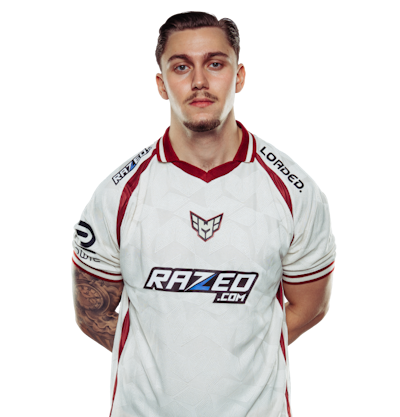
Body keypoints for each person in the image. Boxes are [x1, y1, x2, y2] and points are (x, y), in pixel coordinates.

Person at [71, 11, 335, 417]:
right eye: (181, 67)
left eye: (215, 64)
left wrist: (237, 356)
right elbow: (93, 309)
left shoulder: (295, 192)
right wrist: (165, 362)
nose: (199, 81)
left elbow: (309, 306)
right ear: (161, 82)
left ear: (239, 76)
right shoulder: (117, 193)